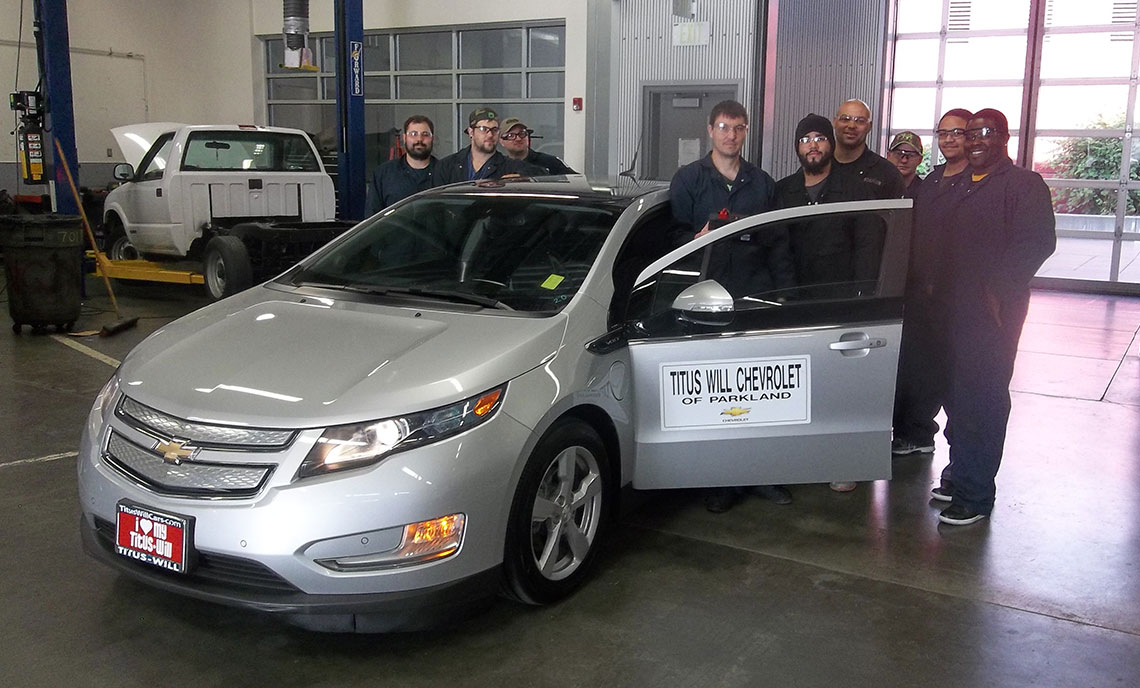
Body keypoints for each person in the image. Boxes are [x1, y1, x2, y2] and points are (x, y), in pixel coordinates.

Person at [669, 99, 794, 513]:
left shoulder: (762, 183)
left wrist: (784, 297)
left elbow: (778, 244)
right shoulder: (688, 179)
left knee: (758, 391)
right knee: (717, 394)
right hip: (704, 301)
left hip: (752, 298)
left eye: (739, 127)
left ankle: (760, 475)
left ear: (746, 132)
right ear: (710, 130)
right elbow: (669, 243)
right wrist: (697, 237)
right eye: (724, 126)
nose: (732, 135)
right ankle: (721, 478)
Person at [936, 108, 1056, 526]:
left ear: (1003, 137)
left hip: (993, 315)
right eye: (970, 133)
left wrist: (996, 292)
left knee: (982, 400)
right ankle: (960, 474)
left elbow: (1039, 242)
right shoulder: (958, 184)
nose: (976, 140)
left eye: (986, 133)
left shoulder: (1024, 185)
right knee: (954, 397)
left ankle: (976, 495)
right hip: (950, 310)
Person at [775, 113, 883, 493]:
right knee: (796, 385)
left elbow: (870, 246)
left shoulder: (855, 189)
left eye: (820, 138)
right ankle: (799, 459)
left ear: (831, 144)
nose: (814, 145)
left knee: (842, 387)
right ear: (797, 147)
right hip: (791, 303)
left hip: (840, 303)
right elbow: (774, 246)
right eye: (806, 139)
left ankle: (843, 461)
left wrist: (861, 296)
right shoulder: (783, 190)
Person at [891, 109, 973, 460]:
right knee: (910, 364)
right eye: (944, 132)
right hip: (910, 292)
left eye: (957, 132)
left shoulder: (970, 182)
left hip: (956, 299)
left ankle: (942, 446)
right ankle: (910, 432)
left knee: (948, 374)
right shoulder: (927, 183)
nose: (904, 159)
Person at [434, 107, 543, 185]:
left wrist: (520, 176)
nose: (490, 135)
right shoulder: (447, 166)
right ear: (471, 132)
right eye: (483, 129)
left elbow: (542, 174)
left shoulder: (508, 167)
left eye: (494, 130)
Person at [832, 99, 906, 199]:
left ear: (869, 126)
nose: (852, 126)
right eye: (845, 119)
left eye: (860, 121)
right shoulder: (818, 168)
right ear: (835, 122)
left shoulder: (888, 174)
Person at [365, 115, 438, 214]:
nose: (419, 139)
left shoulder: (445, 173)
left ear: (432, 138)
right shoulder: (383, 174)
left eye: (425, 134)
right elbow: (372, 217)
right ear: (404, 138)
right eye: (413, 134)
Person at [499, 117, 576, 175]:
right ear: (501, 141)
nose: (518, 139)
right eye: (511, 135)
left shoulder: (550, 162)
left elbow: (574, 180)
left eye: (522, 133)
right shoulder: (499, 167)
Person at [887, 131, 924, 198]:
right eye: (899, 154)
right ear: (889, 156)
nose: (904, 160)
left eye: (911, 155)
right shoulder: (877, 186)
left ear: (920, 160)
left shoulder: (926, 191)